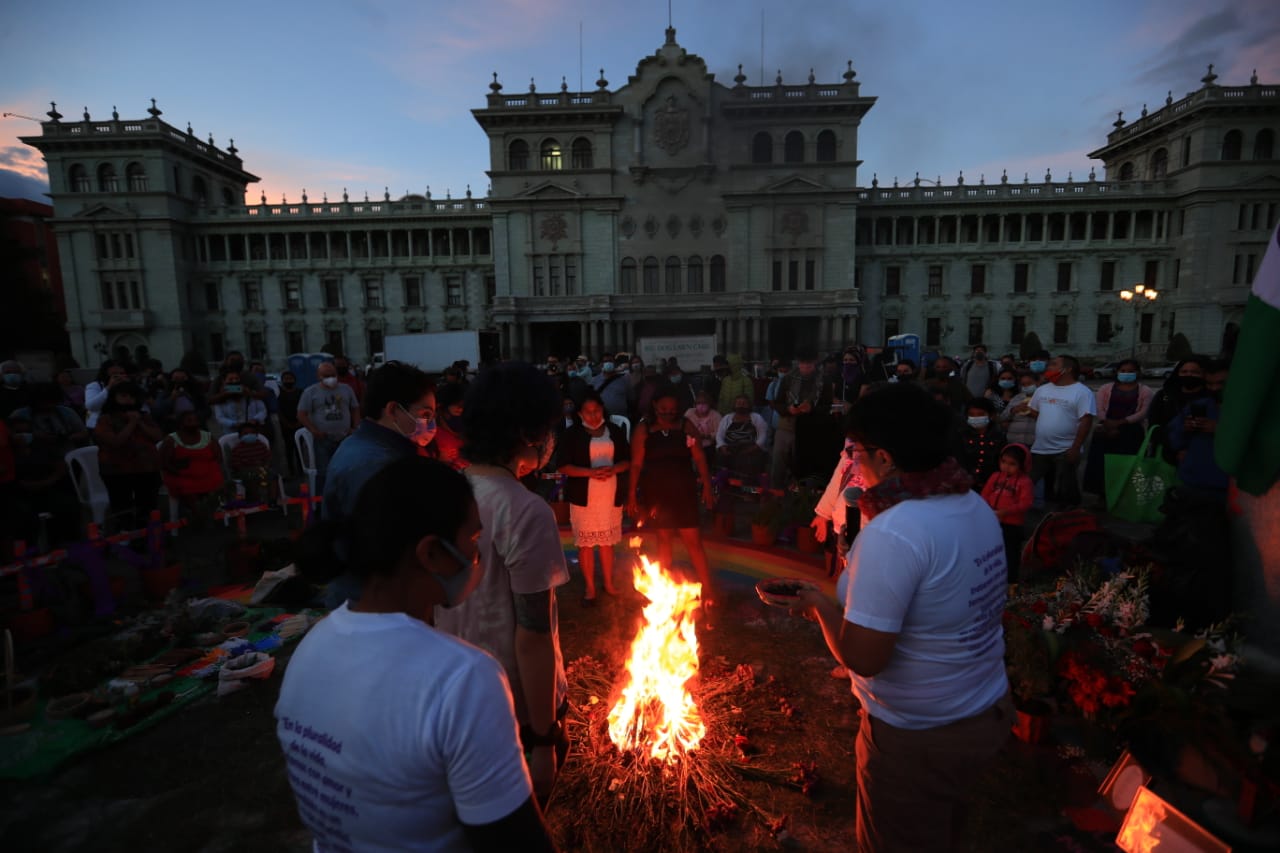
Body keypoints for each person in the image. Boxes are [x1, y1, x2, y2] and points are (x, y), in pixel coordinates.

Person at [278, 458, 557, 852]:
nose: (477, 554)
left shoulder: (310, 650)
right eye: (474, 538)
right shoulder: (462, 679)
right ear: (431, 553)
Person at [787, 383, 1012, 852]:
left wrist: (819, 607)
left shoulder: (897, 531)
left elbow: (864, 658)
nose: (854, 462)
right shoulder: (972, 505)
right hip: (981, 708)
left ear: (885, 457)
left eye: (857, 452)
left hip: (919, 736)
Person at [434, 361, 570, 805]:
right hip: (513, 705)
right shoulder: (526, 511)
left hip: (452, 696)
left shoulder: (445, 493)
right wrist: (544, 739)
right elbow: (532, 634)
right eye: (548, 428)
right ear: (528, 433)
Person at [628, 389, 717, 598]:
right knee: (664, 539)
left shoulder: (686, 426)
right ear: (654, 405)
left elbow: (699, 457)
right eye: (664, 409)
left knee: (693, 540)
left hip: (684, 490)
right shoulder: (644, 429)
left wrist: (707, 485)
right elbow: (636, 464)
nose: (668, 413)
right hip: (656, 492)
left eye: (672, 409)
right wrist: (631, 494)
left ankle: (708, 590)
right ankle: (664, 589)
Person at [557, 392, 630, 605]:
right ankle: (590, 587)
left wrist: (614, 469)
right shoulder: (572, 434)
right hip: (584, 496)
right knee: (586, 544)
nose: (593, 416)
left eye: (596, 411)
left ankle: (608, 582)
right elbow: (563, 466)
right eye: (588, 412)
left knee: (607, 542)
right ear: (580, 414)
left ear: (602, 409)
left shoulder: (614, 430)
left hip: (610, 493)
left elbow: (627, 460)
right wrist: (590, 473)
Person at [1027, 355, 1096, 508]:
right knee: (1029, 480)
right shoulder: (1042, 390)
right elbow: (1034, 412)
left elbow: (1086, 421)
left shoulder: (1082, 392)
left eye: (1053, 364)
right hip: (1040, 448)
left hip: (1066, 448)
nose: (1049, 367)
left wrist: (1076, 447)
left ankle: (1069, 513)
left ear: (1067, 369)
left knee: (1066, 486)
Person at [93, 382, 164, 529]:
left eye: (132, 396)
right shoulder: (105, 419)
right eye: (124, 396)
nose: (129, 400)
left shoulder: (144, 416)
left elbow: (158, 436)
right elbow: (115, 442)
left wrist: (140, 423)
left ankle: (145, 534)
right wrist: (132, 423)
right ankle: (124, 534)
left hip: (147, 468)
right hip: (117, 470)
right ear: (114, 398)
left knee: (147, 506)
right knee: (122, 507)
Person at [1084, 358, 1155, 497]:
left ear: (1138, 372)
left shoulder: (1145, 391)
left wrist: (1121, 422)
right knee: (1100, 466)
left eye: (1130, 371)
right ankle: (1102, 497)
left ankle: (1123, 497)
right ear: (1117, 372)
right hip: (1105, 429)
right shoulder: (1105, 388)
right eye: (1123, 371)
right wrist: (1107, 423)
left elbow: (1143, 412)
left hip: (1131, 432)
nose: (1126, 373)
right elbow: (1099, 408)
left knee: (1126, 466)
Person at [1166, 360, 1230, 500]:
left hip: (1228, 485)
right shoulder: (1199, 406)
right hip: (1193, 482)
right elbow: (1174, 437)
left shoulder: (1245, 412)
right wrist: (1185, 428)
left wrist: (1220, 430)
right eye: (1210, 384)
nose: (1214, 388)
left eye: (1221, 383)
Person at [296, 361, 360, 492]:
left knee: (347, 471)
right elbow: (301, 414)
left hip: (345, 438)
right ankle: (322, 501)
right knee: (324, 473)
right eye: (326, 375)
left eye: (333, 374)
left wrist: (355, 428)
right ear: (319, 376)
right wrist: (314, 431)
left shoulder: (346, 389)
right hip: (323, 439)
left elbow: (355, 408)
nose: (331, 378)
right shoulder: (311, 392)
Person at [981, 444, 1035, 584]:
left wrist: (1005, 512)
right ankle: (990, 576)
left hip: (1012, 524)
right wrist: (987, 510)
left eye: (1012, 464)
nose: (1006, 466)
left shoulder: (1025, 482)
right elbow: (985, 494)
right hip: (992, 520)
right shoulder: (995, 476)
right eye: (1003, 462)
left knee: (1011, 552)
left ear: (1022, 465)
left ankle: (1011, 581)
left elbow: (1026, 503)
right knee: (990, 549)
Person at [161, 409, 226, 519]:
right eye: (189, 420)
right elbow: (164, 463)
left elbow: (218, 457)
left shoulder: (208, 437)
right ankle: (198, 515)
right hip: (182, 475)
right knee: (187, 488)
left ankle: (209, 511)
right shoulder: (171, 440)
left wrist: (204, 469)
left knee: (216, 483)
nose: (194, 423)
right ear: (181, 424)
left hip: (207, 474)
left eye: (196, 420)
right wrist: (179, 471)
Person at [771, 350, 824, 485]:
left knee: (803, 464)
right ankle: (776, 492)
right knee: (778, 462)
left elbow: (827, 406)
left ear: (815, 363)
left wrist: (812, 408)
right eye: (802, 364)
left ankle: (801, 493)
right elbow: (778, 403)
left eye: (809, 365)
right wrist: (788, 409)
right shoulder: (788, 379)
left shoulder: (822, 381)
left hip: (810, 428)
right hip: (786, 425)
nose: (805, 368)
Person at [12, 383, 90, 460]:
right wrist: (34, 437)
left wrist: (68, 438)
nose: (49, 405)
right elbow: (11, 438)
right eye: (44, 402)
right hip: (35, 458)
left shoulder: (66, 412)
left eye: (52, 402)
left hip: (67, 455)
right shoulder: (20, 415)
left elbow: (84, 433)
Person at [1147, 356, 1210, 430]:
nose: (1189, 375)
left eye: (1195, 372)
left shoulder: (1211, 397)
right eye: (1184, 372)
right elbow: (1153, 422)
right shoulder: (1164, 395)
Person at [714, 394, 769, 477]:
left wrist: (754, 448)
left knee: (754, 459)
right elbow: (719, 435)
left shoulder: (757, 417)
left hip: (751, 447)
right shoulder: (727, 418)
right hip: (730, 446)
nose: (741, 405)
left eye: (744, 403)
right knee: (720, 457)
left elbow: (763, 435)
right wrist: (722, 446)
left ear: (749, 405)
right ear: (734, 405)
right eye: (738, 403)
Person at [960, 398, 1006, 491]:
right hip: (966, 483)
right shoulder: (961, 435)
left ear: (991, 415)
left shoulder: (998, 436)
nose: (975, 417)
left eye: (980, 414)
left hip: (991, 483)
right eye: (971, 414)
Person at [228, 422, 275, 504]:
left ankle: (272, 501)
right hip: (246, 472)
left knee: (273, 477)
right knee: (251, 478)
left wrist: (265, 466)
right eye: (246, 433)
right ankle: (256, 502)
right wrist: (252, 468)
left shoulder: (261, 445)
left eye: (252, 433)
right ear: (240, 436)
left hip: (262, 469)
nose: (249, 435)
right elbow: (236, 466)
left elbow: (268, 458)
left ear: (256, 434)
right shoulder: (237, 449)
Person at [999, 371, 1040, 448]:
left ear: (1037, 383)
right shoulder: (1017, 398)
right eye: (1023, 384)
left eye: (1029, 383)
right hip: (1014, 441)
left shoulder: (1044, 398)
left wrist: (1032, 413)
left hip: (1034, 442)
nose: (1026, 386)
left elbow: (1050, 420)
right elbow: (1002, 417)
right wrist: (1013, 410)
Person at [434, 381, 468, 470]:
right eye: (457, 404)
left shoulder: (465, 425)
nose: (460, 408)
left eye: (463, 405)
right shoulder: (433, 432)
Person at [84, 360, 128, 428]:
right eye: (114, 374)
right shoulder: (95, 385)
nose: (119, 376)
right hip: (98, 425)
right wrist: (108, 387)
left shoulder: (125, 385)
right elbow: (91, 406)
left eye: (121, 373)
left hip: (122, 423)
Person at [275, 370, 303, 476]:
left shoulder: (300, 392)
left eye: (290, 378)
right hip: (285, 425)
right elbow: (278, 410)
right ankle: (291, 471)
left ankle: (301, 469)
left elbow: (304, 408)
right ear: (282, 380)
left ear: (294, 380)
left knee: (299, 448)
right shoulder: (279, 393)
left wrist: (300, 421)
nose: (288, 381)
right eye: (286, 379)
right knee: (288, 448)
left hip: (299, 423)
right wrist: (286, 423)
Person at [684, 390, 721, 456]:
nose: (701, 405)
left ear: (709, 404)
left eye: (704, 403)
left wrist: (706, 436)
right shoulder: (689, 412)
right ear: (695, 404)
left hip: (707, 446)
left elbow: (719, 433)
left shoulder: (716, 415)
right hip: (690, 444)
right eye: (699, 403)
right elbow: (683, 426)